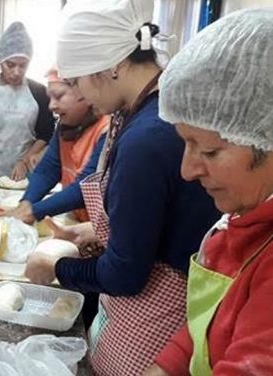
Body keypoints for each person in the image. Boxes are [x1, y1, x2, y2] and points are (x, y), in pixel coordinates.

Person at [23, 0, 220, 375]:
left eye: (78, 81)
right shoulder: (144, 110)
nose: (83, 94)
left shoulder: (146, 137)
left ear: (111, 66)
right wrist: (97, 229)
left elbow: (126, 276)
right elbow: (159, 214)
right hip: (147, 302)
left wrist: (57, 265)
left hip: (158, 315)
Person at [142, 8, 273, 376]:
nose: (187, 171)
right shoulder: (239, 222)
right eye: (185, 144)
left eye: (210, 151)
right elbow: (208, 325)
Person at [7, 68, 109, 225]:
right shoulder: (65, 127)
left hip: (101, 228)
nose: (51, 106)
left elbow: (84, 188)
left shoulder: (106, 130)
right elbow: (48, 170)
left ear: (85, 92)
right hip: (79, 220)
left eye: (59, 96)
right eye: (50, 98)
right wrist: (26, 202)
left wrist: (34, 211)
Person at [0, 22, 54, 180]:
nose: (16, 72)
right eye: (10, 65)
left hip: (22, 173)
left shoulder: (40, 93)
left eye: (23, 65)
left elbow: (45, 134)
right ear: (0, 60)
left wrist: (25, 159)